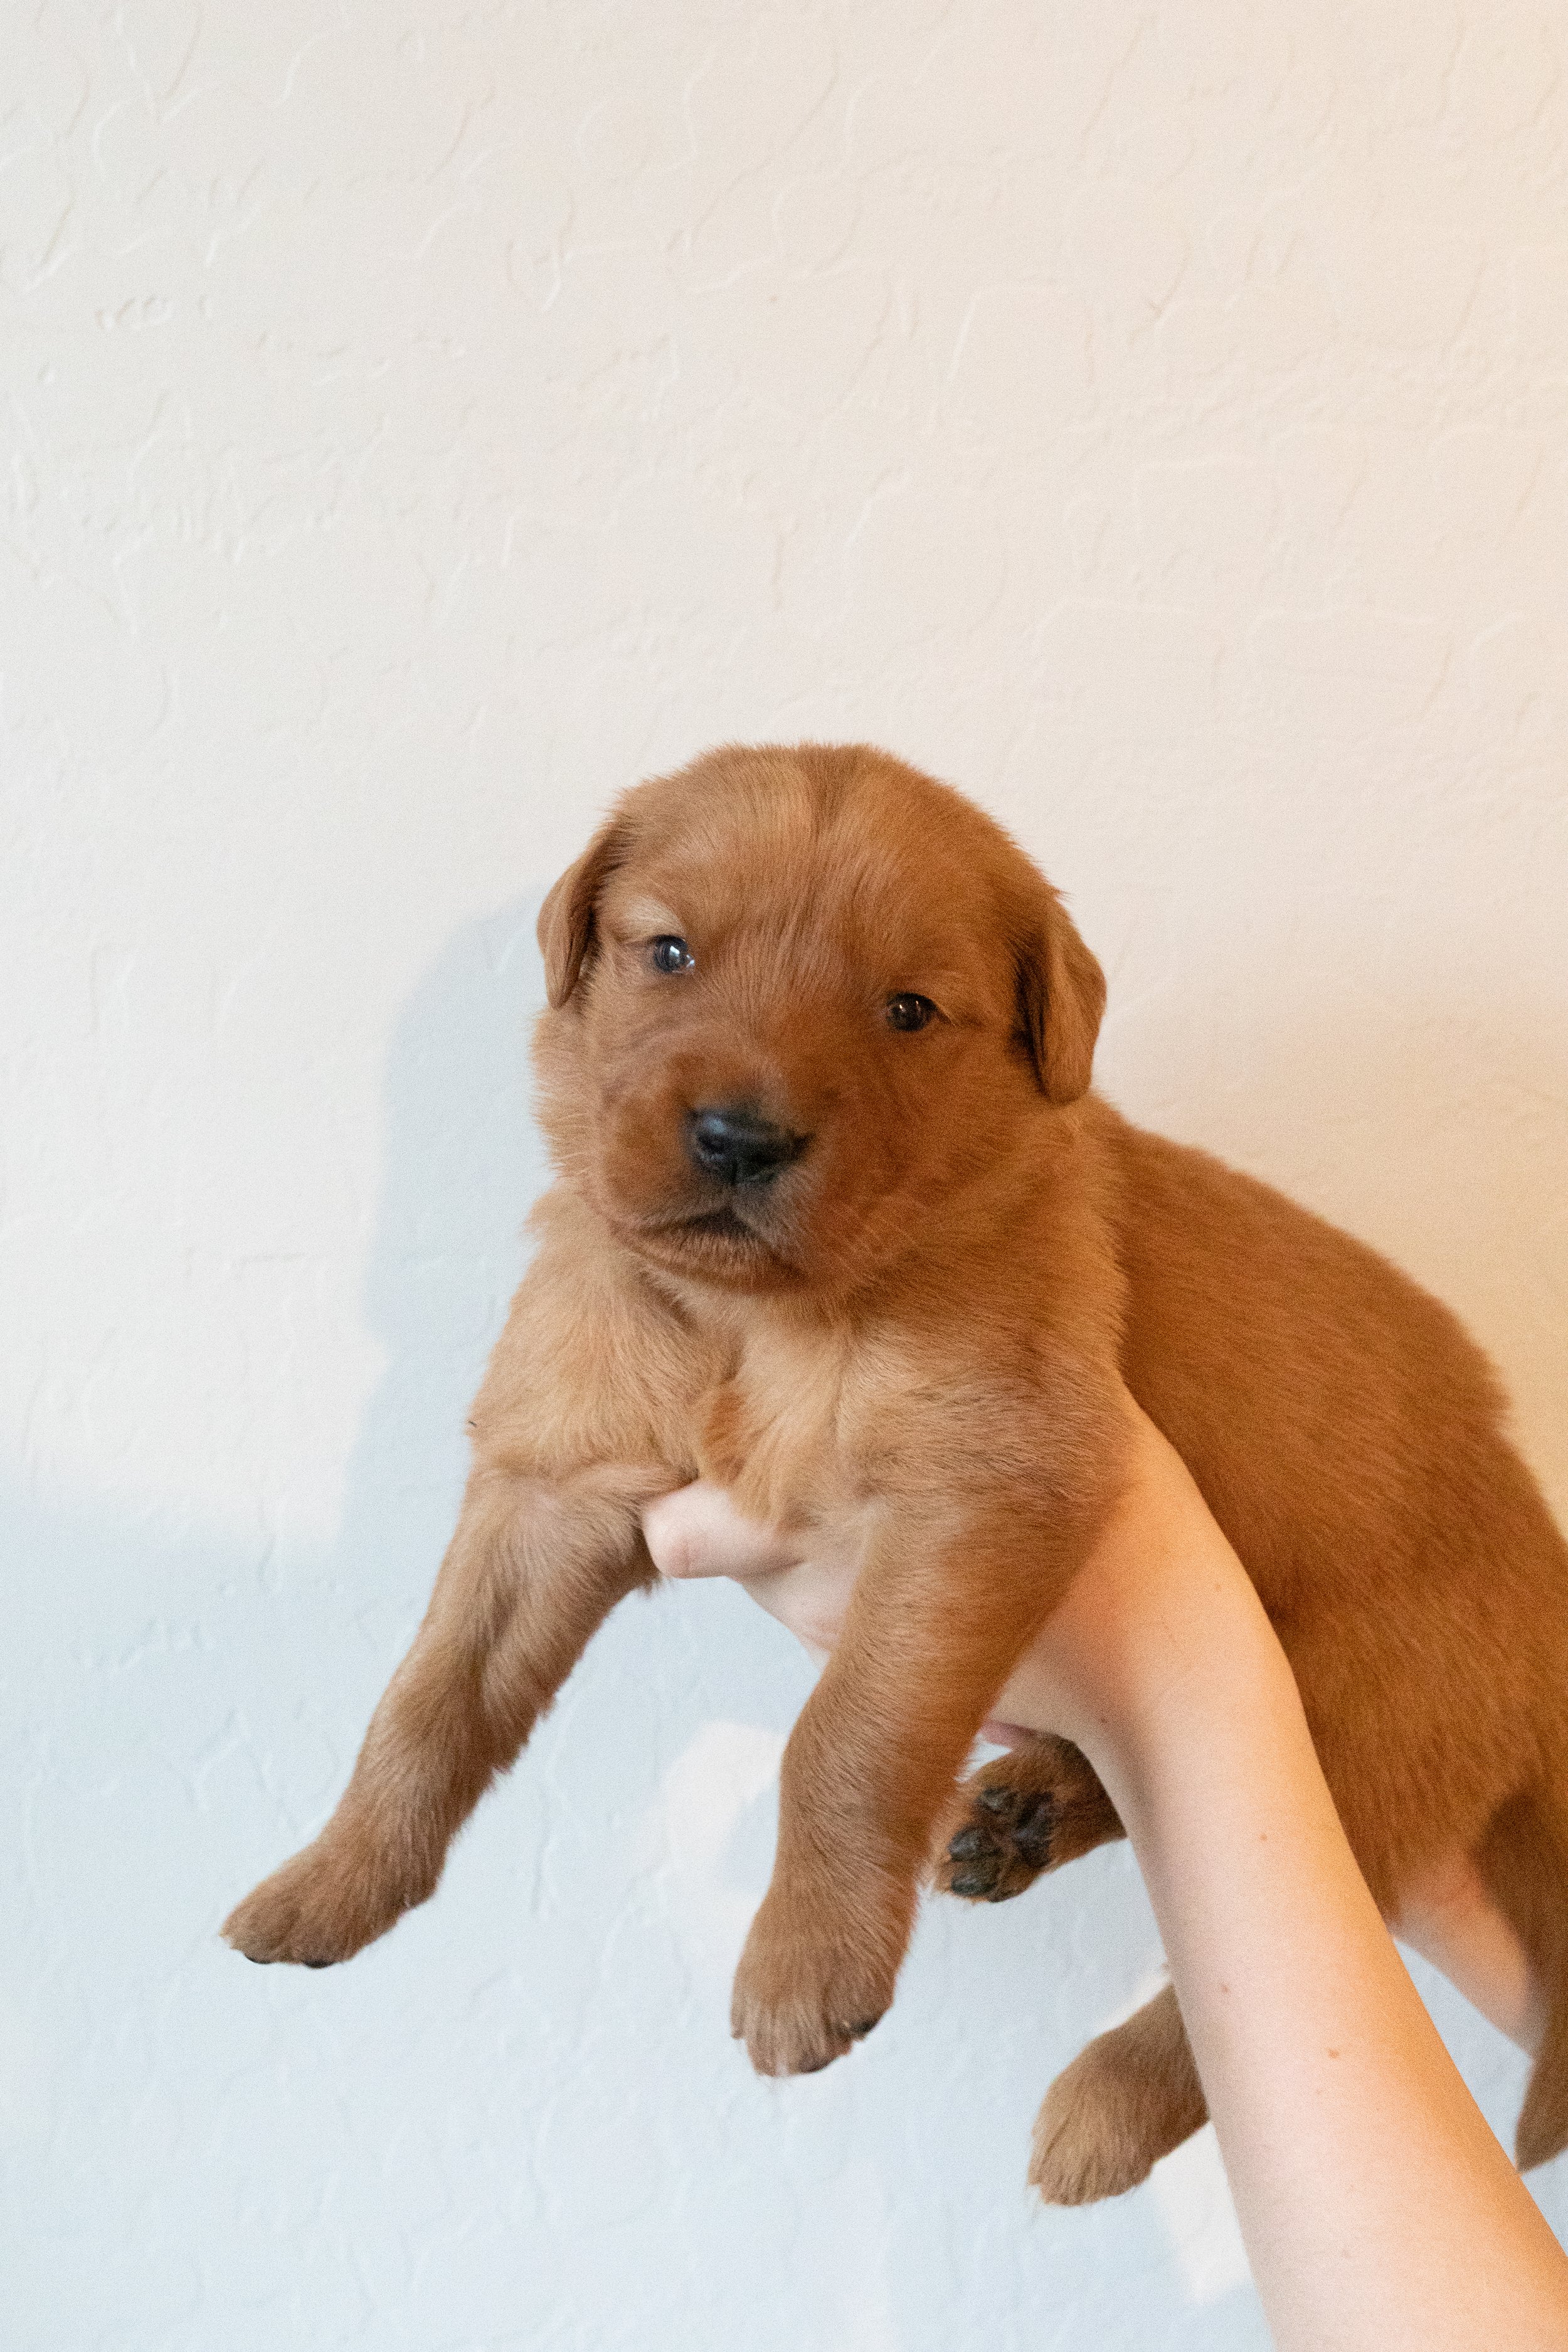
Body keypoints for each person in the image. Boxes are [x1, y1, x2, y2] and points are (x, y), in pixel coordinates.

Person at [642, 1398, 1568, 2351]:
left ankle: (1160, 2025)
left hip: (1419, 1581)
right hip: (1381, 1586)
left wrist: (1169, 1693)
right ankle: (1091, 1801)